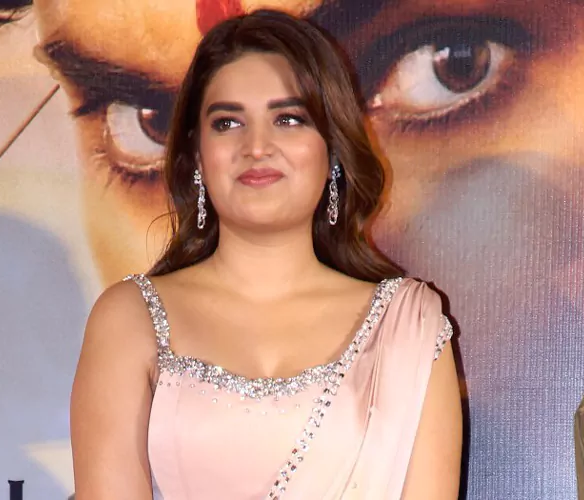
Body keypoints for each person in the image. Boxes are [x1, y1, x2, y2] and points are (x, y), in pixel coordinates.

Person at [70, 10, 462, 500]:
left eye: (288, 119)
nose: (256, 147)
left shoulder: (409, 327)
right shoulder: (130, 318)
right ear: (196, 154)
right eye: (227, 122)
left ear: (332, 149)